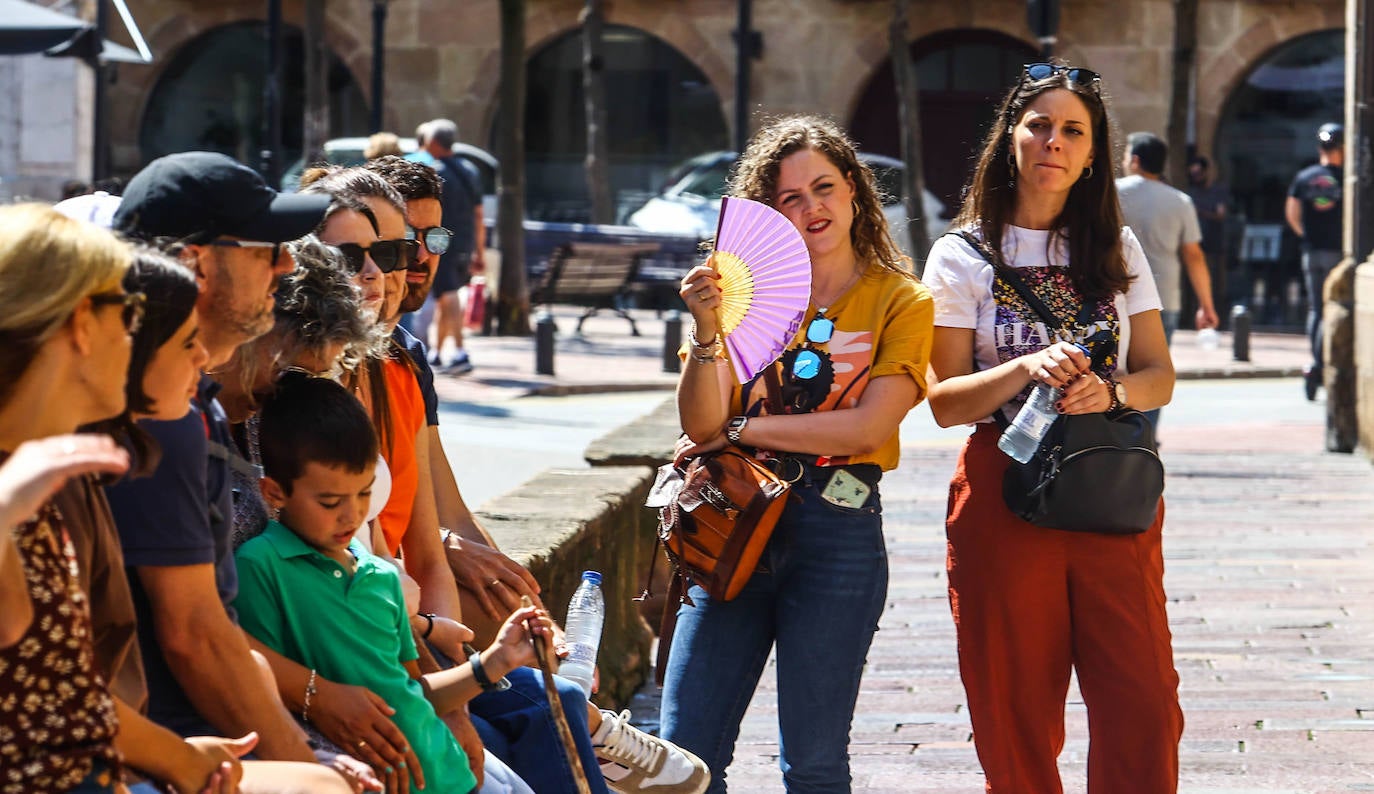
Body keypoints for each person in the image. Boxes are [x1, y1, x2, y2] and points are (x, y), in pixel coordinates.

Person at [362, 155, 712, 794]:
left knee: (498, 587)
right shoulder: (331, 375)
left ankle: (580, 707)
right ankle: (588, 719)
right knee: (533, 712)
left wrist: (522, 598)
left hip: (407, 610)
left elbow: (444, 509)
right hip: (376, 628)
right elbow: (376, 548)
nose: (417, 259)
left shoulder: (404, 359)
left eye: (431, 240)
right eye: (394, 245)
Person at [922, 63, 1182, 793]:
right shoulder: (961, 254)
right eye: (1039, 125)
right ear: (1010, 138)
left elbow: (1159, 371)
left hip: (1108, 483)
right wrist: (1025, 367)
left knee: (1144, 700)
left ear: (1094, 152)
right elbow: (943, 400)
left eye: (1073, 130)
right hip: (1006, 485)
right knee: (1014, 707)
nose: (1053, 142)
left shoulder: (1116, 249)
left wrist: (1112, 391)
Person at [669, 115, 935, 792]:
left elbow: (866, 431)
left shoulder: (900, 301)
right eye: (791, 197)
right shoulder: (738, 297)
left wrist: (742, 431)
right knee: (681, 755)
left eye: (824, 187)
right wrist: (707, 334)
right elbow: (700, 420)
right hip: (728, 521)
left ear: (852, 190)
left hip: (837, 529)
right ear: (770, 214)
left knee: (813, 763)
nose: (812, 207)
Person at [106, 152, 372, 792]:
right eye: (266, 249)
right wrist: (307, 766)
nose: (286, 265)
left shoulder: (184, 394)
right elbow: (196, 637)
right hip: (169, 742)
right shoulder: (157, 408)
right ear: (197, 262)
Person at [236, 373, 555, 794]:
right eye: (330, 501)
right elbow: (260, 683)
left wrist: (493, 662)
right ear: (274, 493)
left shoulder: (381, 576)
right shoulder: (261, 565)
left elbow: (412, 692)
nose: (351, 517)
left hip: (452, 777)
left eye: (363, 495)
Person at [1116, 131, 1218, 427]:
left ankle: (1113, 439)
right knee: (1154, 373)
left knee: (1116, 369)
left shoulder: (1111, 192)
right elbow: (1194, 256)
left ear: (1135, 160)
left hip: (1115, 295)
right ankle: (1144, 440)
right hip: (1164, 298)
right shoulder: (1181, 201)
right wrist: (1206, 305)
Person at [414, 119, 485, 374]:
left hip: (442, 241)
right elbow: (479, 214)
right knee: (446, 297)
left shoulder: (435, 170)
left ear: (433, 142)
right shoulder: (470, 170)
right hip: (464, 242)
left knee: (449, 294)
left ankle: (459, 351)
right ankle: (438, 354)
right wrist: (480, 250)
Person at [1286, 122, 1344, 401]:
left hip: (1311, 251)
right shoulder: (1349, 177)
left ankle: (1316, 362)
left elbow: (1292, 213)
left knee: (1316, 310)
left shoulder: (1304, 177)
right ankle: (1321, 365)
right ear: (1342, 148)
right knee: (1333, 309)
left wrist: (1306, 236)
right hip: (1337, 251)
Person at [1185, 155, 1232, 305]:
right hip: (1194, 244)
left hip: (1213, 244)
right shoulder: (1191, 193)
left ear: (1206, 172)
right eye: (1193, 174)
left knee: (1213, 283)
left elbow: (1220, 214)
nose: (1196, 177)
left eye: (1198, 173)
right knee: (1192, 284)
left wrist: (1200, 213)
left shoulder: (1217, 191)